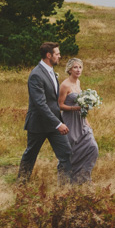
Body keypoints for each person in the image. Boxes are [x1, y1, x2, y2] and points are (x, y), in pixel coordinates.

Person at [19, 41, 71, 183]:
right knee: (30, 155)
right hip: (39, 124)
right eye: (57, 54)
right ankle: (21, 185)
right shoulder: (36, 75)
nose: (60, 56)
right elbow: (40, 104)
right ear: (49, 55)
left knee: (66, 153)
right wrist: (58, 124)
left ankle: (65, 188)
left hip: (54, 123)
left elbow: (53, 99)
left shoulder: (51, 72)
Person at [57, 57, 99, 184]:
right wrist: (75, 108)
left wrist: (86, 120)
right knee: (71, 151)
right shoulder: (65, 85)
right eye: (75, 67)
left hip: (81, 120)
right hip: (70, 121)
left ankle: (83, 177)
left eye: (80, 67)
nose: (78, 69)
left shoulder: (78, 83)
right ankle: (65, 181)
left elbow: (82, 104)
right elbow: (59, 105)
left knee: (92, 147)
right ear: (69, 69)